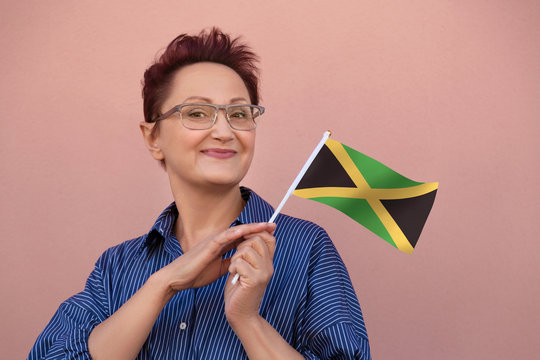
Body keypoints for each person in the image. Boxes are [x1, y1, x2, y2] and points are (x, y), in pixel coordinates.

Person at [28, 28, 371, 360]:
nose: (224, 131)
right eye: (196, 113)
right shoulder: (117, 266)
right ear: (153, 139)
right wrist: (162, 286)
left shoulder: (306, 248)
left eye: (239, 114)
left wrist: (248, 321)